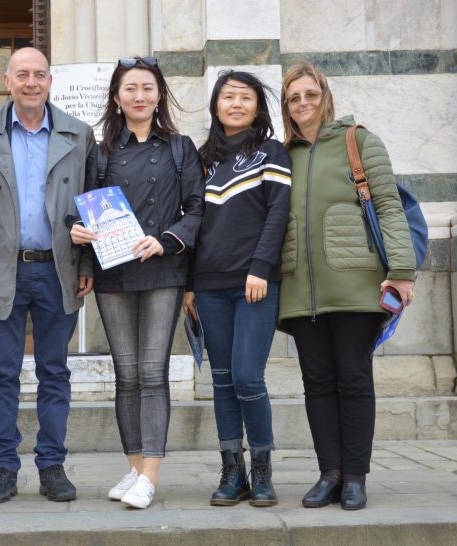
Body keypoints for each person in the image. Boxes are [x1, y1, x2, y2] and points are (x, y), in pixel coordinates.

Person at [278, 62, 416, 510]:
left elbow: (391, 208)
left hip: (357, 284)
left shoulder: (359, 141)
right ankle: (329, 473)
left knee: (353, 379)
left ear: (325, 96)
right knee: (316, 382)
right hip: (301, 290)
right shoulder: (284, 154)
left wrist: (402, 270)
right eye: (294, 97)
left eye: (310, 95)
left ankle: (355, 476)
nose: (303, 104)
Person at [70, 56, 205, 509]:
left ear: (159, 95)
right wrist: (82, 245)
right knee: (125, 376)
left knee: (152, 372)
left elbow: (195, 209)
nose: (139, 96)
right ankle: (133, 468)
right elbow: (84, 210)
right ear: (116, 98)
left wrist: (166, 240)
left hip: (163, 270)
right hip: (113, 273)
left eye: (147, 88)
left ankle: (151, 473)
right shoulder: (102, 151)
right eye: (130, 89)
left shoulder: (180, 148)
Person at [0, 47, 95, 504]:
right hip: (3, 270)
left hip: (58, 268)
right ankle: (3, 467)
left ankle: (52, 465)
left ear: (51, 81)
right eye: (23, 74)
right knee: (1, 373)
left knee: (54, 372)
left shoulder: (79, 135)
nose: (31, 82)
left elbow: (92, 204)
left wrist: (87, 265)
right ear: (7, 80)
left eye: (39, 74)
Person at [184, 70, 291, 507]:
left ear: (257, 107)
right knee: (223, 379)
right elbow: (192, 221)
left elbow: (277, 215)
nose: (235, 104)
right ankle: (234, 472)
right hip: (209, 286)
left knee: (248, 375)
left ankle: (263, 471)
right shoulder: (200, 159)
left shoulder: (272, 152)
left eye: (245, 97)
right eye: (228, 97)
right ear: (215, 105)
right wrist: (189, 286)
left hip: (254, 283)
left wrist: (261, 268)